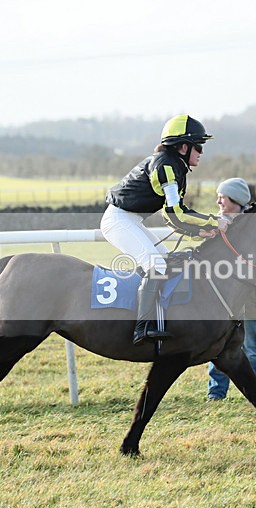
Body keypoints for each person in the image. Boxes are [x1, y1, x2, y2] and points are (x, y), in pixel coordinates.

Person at [101, 115, 224, 345]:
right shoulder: (165, 166)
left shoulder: (175, 166)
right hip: (119, 220)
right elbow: (176, 213)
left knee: (165, 261)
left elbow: (172, 215)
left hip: (132, 220)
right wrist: (213, 222)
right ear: (183, 146)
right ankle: (142, 327)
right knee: (156, 265)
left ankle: (159, 318)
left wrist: (198, 232)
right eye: (198, 146)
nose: (201, 152)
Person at [206, 178, 256, 400]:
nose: (218, 201)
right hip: (221, 298)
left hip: (248, 297)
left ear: (235, 199)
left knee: (250, 345)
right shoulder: (214, 224)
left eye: (222, 196)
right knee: (217, 345)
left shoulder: (255, 228)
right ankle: (216, 392)